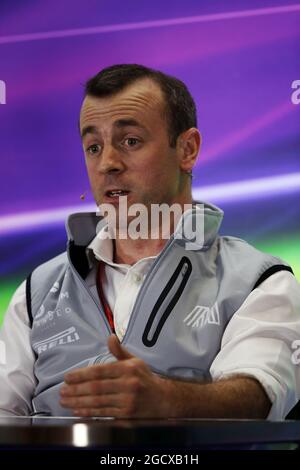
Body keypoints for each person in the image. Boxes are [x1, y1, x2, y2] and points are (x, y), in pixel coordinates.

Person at [0, 64, 300, 420]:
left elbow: (261, 396)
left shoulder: (261, 282)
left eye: (130, 141)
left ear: (187, 149)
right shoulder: (34, 294)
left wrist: (169, 399)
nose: (107, 163)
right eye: (93, 146)